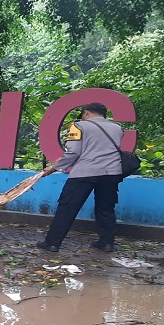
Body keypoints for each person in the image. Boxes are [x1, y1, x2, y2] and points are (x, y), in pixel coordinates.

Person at [37, 102, 124, 253]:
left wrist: (54, 167)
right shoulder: (117, 128)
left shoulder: (78, 126)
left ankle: (52, 243)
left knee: (67, 207)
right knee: (106, 208)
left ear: (86, 113)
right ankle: (107, 243)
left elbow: (73, 152)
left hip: (85, 172)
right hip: (111, 173)